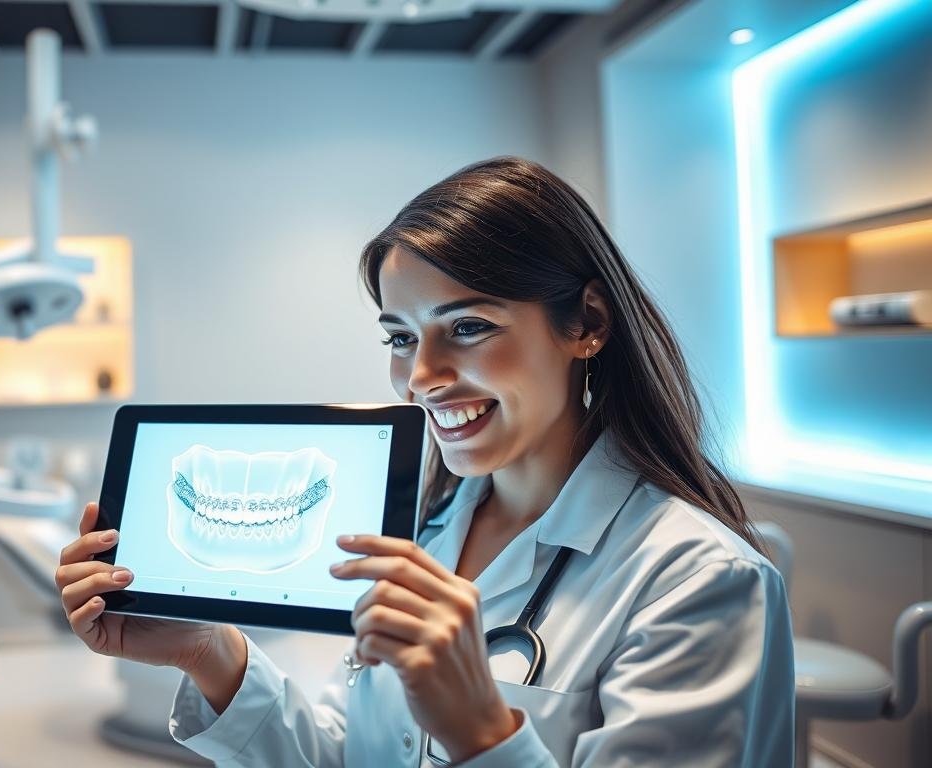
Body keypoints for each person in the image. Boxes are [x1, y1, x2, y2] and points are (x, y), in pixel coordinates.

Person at [55, 157, 794, 766]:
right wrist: (209, 652)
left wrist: (482, 731)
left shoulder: (701, 584)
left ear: (588, 324)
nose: (421, 376)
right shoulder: (429, 534)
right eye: (400, 337)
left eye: (468, 327)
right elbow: (358, 755)